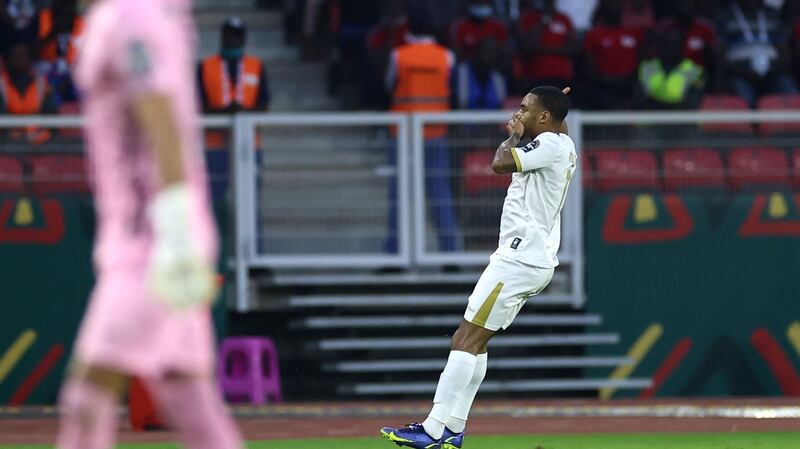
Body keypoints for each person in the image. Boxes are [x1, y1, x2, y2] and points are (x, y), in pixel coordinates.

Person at [56, 1, 244, 449]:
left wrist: (174, 230)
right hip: (157, 229)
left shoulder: (129, 17)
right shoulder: (143, 17)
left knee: (87, 395)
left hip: (152, 239)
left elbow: (157, 111)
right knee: (190, 401)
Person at [380, 86, 576, 449]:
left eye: (526, 109)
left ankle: (433, 428)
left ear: (545, 117)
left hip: (518, 260)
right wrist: (548, 105)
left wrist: (515, 136)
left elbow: (499, 163)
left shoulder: (549, 145)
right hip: (530, 259)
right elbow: (553, 123)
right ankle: (453, 427)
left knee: (464, 339)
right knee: (478, 343)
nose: (519, 114)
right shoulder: (561, 144)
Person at [385, 16, 459, 253]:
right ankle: (450, 254)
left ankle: (395, 253)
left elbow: (389, 85)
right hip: (436, 133)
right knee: (441, 195)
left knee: (399, 196)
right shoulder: (446, 56)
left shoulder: (399, 55)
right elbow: (453, 90)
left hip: (403, 135)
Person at [716, 0, 798, 107]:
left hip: (772, 72)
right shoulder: (725, 16)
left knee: (790, 93)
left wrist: (773, 70)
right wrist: (740, 71)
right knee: (744, 100)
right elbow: (720, 54)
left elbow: (785, 51)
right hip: (740, 73)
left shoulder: (772, 14)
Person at [579, 0, 645, 109]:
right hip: (601, 87)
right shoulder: (594, 35)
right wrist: (603, 81)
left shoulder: (634, 33)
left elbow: (640, 60)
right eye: (611, 6)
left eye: (617, 6)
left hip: (627, 86)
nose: (615, 9)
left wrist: (630, 80)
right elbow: (587, 66)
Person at [198, 17, 269, 115]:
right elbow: (198, 106)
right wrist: (225, 112)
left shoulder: (256, 66)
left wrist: (242, 112)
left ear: (244, 38)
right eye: (228, 34)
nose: (232, 39)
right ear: (222, 36)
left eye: (236, 35)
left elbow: (264, 105)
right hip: (215, 129)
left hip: (248, 129)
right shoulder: (205, 66)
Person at [516, 0, 577, 93]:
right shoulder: (528, 19)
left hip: (562, 76)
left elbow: (573, 48)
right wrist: (543, 21)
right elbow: (528, 46)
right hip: (536, 75)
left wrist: (543, 49)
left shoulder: (564, 19)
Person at [635, 30, 705, 109]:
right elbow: (638, 101)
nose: (670, 47)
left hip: (681, 120)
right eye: (666, 43)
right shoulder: (646, 67)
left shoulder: (695, 71)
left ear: (682, 46)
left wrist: (656, 103)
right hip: (650, 119)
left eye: (674, 44)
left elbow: (692, 103)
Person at [455, 38, 507, 110]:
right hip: (465, 120)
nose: (490, 55)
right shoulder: (461, 73)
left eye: (494, 51)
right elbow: (456, 105)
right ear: (478, 50)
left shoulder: (498, 79)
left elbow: (500, 107)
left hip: (492, 120)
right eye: (487, 50)